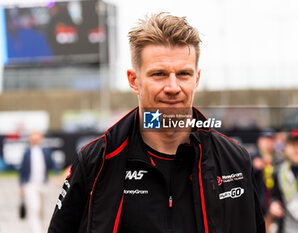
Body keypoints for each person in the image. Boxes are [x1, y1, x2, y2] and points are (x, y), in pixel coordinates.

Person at [48, 13, 265, 233]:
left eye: (183, 74)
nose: (173, 87)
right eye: (159, 74)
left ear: (196, 79)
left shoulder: (235, 161)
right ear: (134, 81)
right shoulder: (96, 162)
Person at [19, 131, 58, 233]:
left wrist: (56, 174)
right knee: (34, 208)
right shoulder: (27, 152)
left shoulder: (46, 151)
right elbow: (22, 170)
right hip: (30, 184)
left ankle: (41, 227)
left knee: (41, 209)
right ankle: (37, 230)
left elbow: (52, 163)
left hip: (43, 183)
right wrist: (21, 186)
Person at [251, 129, 281, 231]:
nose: (268, 143)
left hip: (273, 204)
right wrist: (253, 168)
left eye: (271, 140)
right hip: (258, 207)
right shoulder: (251, 158)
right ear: (259, 141)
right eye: (265, 140)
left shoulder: (278, 160)